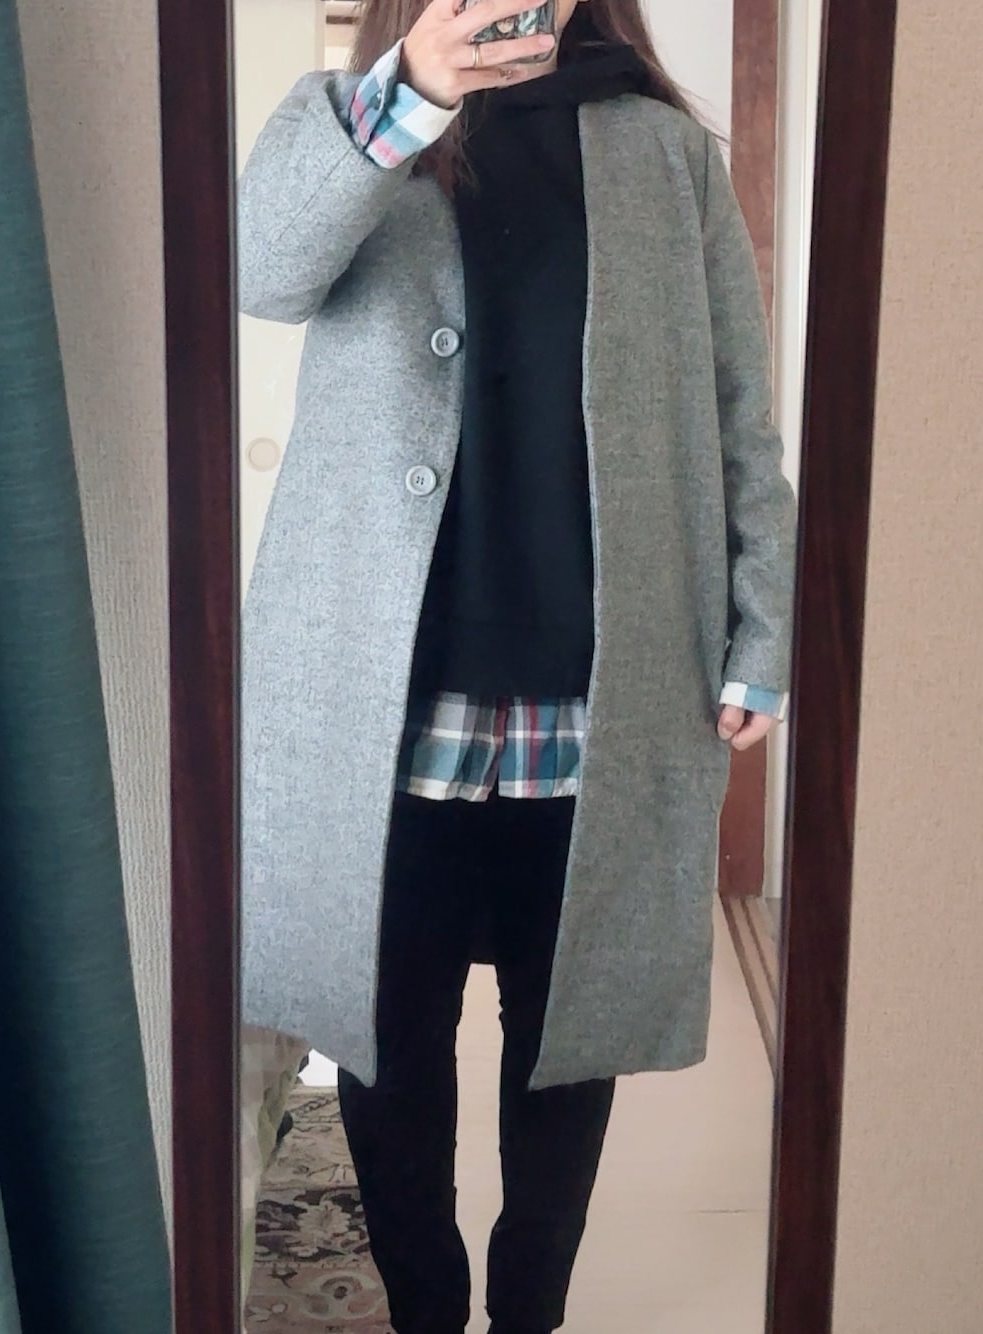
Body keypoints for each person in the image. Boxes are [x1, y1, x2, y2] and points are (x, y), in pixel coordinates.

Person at [237, 1, 796, 1331]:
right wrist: (413, 95)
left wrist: (763, 623)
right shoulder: (353, 124)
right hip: (387, 694)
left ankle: (531, 1309)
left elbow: (739, 402)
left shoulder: (666, 152)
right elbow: (262, 269)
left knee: (568, 1038)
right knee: (387, 1039)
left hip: (602, 686)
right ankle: (426, 1307)